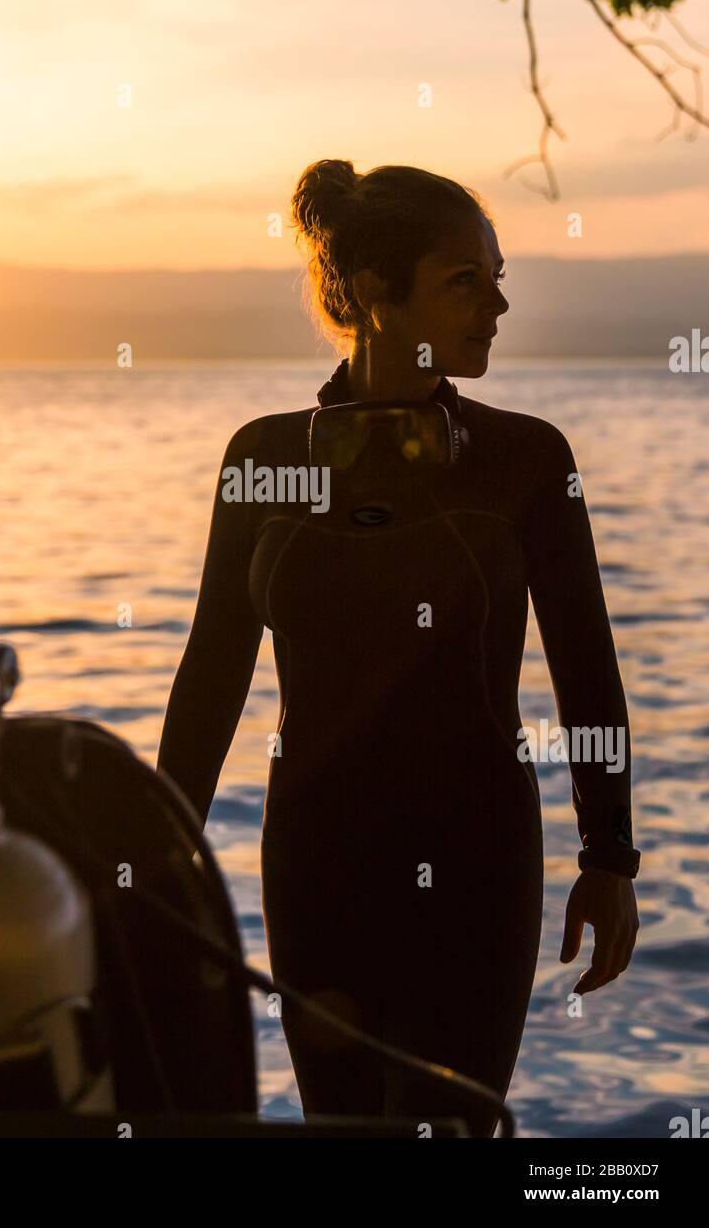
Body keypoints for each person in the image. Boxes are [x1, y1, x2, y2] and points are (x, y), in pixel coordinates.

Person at [157, 160, 640, 1134]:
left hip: (475, 864)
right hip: (312, 867)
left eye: (496, 276)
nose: (498, 304)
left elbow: (585, 670)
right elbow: (211, 674)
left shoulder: (525, 461)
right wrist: (151, 861)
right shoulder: (264, 459)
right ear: (374, 291)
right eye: (465, 279)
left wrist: (608, 857)